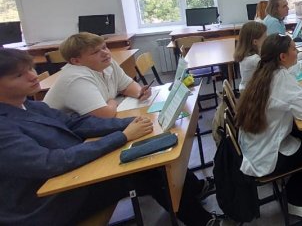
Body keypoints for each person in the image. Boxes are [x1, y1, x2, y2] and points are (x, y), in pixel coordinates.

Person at [0, 49, 217, 226]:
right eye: (19, 75)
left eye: (30, 69)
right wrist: (122, 136)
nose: (32, 76)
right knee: (148, 170)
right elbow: (50, 163)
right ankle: (202, 220)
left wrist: (130, 123)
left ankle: (194, 191)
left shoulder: (31, 106)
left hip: (70, 176)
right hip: (47, 202)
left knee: (152, 155)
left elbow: (77, 123)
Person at [235, 34, 302, 220]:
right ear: (282, 56)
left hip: (253, 147)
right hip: (266, 156)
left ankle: (300, 186)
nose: (297, 52)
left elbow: (289, 80)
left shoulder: (264, 71)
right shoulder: (281, 79)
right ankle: (298, 200)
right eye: (294, 49)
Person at [44, 32, 152, 117]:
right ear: (76, 61)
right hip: (62, 133)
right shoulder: (76, 78)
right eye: (95, 52)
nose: (105, 53)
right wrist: (112, 102)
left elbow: (127, 85)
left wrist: (139, 93)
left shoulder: (107, 63)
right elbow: (105, 115)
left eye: (104, 47)